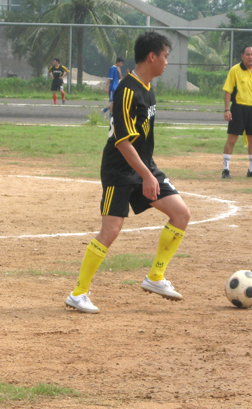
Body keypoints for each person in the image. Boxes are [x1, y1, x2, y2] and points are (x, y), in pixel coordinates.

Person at [65, 32, 191, 314]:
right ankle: (78, 293)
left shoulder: (147, 88)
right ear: (152, 57)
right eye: (166, 56)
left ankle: (155, 276)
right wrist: (146, 176)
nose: (167, 62)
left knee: (181, 214)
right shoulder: (127, 90)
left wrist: (147, 172)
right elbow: (122, 142)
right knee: (110, 230)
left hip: (144, 165)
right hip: (120, 170)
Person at [221, 45, 252, 179]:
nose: (250, 57)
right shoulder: (235, 70)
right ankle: (225, 169)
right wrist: (227, 109)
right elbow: (228, 91)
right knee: (232, 139)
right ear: (242, 56)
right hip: (238, 109)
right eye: (247, 54)